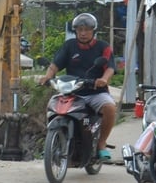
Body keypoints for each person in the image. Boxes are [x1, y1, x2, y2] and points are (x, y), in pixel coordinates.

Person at [39, 13, 117, 160]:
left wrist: (104, 79)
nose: (83, 33)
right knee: (51, 105)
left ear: (93, 30)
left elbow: (110, 67)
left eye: (87, 29)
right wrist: (47, 77)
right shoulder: (69, 46)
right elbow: (55, 65)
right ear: (75, 31)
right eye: (79, 29)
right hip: (72, 92)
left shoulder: (103, 47)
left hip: (95, 92)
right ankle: (51, 142)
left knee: (110, 108)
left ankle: (101, 143)